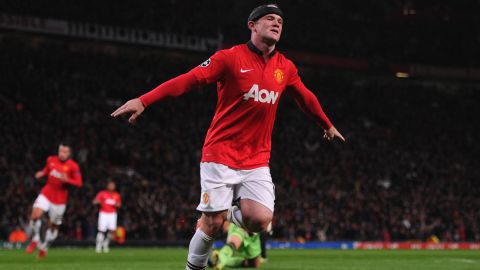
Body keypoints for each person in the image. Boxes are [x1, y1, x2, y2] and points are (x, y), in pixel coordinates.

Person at [111, 4, 345, 269]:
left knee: (260, 221)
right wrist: (144, 100)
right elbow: (189, 79)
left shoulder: (285, 67)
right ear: (252, 25)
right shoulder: (229, 58)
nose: (277, 23)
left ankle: (224, 214)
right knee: (211, 225)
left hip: (256, 159)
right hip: (220, 153)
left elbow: (305, 97)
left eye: (280, 20)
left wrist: (326, 125)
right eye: (269, 18)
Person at [25, 142, 83, 258]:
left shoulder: (73, 166)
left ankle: (44, 246)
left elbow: (79, 183)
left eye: (65, 152)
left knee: (53, 227)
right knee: (35, 215)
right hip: (46, 193)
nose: (62, 154)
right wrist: (42, 173)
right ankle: (36, 239)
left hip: (60, 201)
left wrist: (68, 180)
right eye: (60, 151)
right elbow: (47, 170)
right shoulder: (51, 159)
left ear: (69, 153)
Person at [93, 180, 122, 253]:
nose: (112, 186)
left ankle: (105, 244)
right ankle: (98, 246)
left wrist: (114, 203)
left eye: (113, 185)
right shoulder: (102, 193)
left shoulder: (116, 195)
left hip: (112, 214)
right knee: (101, 230)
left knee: (112, 231)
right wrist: (101, 201)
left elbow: (119, 205)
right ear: (107, 186)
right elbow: (94, 201)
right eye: (110, 185)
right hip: (103, 213)